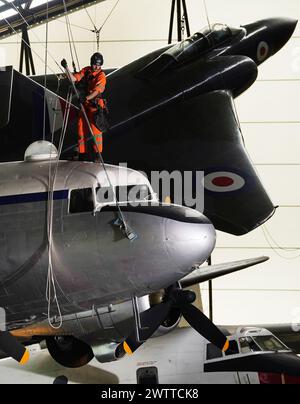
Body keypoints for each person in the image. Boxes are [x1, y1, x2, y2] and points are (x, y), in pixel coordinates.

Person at [67, 52, 107, 162]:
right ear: (91, 63)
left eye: (98, 65)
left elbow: (96, 91)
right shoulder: (87, 70)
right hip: (85, 104)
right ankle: (82, 153)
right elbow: (74, 78)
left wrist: (86, 98)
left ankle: (97, 155)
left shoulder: (101, 76)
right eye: (94, 64)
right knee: (81, 128)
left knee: (96, 132)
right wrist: (66, 69)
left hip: (95, 105)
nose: (96, 67)